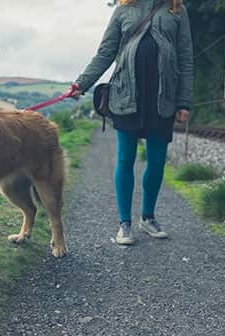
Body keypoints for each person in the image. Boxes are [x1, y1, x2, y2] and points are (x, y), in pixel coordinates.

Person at [70, 0, 193, 245]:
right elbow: (106, 52)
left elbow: (185, 58)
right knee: (125, 159)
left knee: (157, 161)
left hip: (162, 97)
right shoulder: (123, 10)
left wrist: (184, 102)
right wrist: (82, 83)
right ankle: (124, 224)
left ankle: (148, 218)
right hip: (126, 95)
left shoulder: (176, 9)